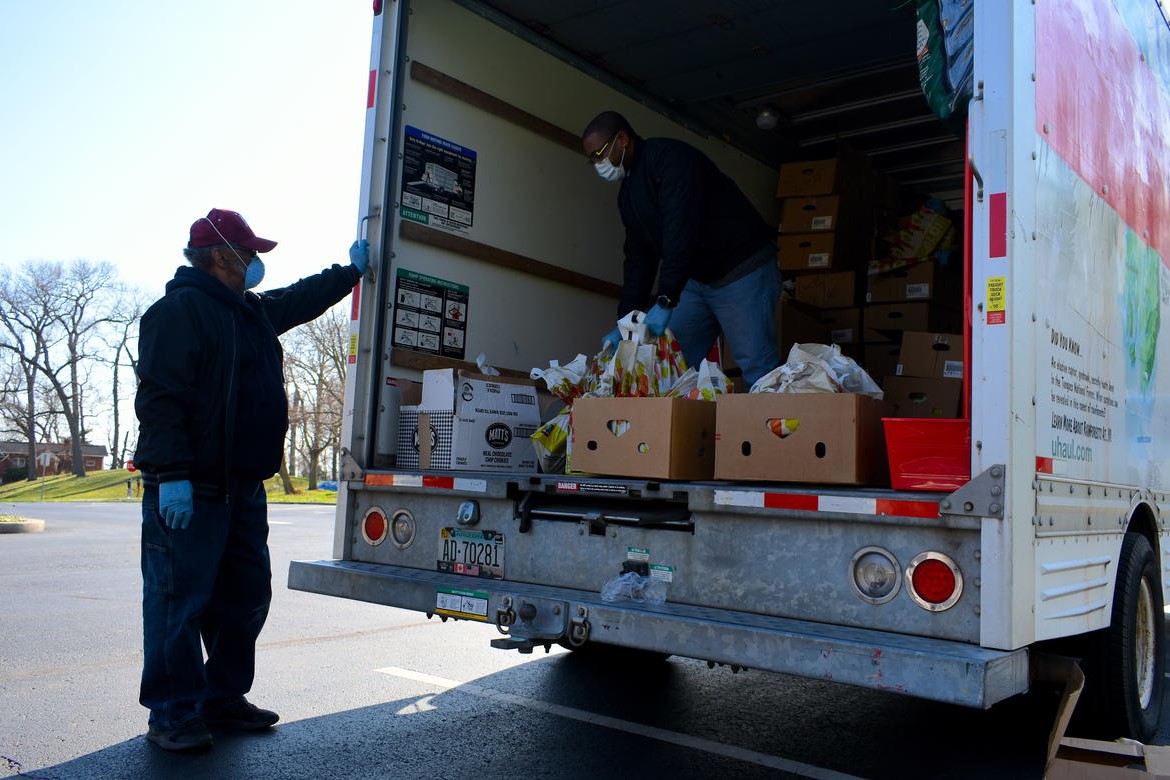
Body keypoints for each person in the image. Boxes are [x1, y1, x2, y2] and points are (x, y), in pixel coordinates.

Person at [134, 207, 369, 752]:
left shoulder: (249, 312)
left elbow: (298, 300)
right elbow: (161, 401)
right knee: (178, 603)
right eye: (250, 255)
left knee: (244, 598)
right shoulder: (178, 312)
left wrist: (350, 272)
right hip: (190, 489)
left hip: (241, 489)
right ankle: (172, 712)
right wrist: (171, 476)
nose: (257, 265)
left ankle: (222, 698)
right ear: (221, 257)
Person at [582, 110, 781, 387]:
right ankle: (681, 428)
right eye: (591, 158)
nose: (597, 163)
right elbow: (638, 258)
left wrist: (665, 298)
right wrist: (625, 321)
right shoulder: (629, 194)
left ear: (622, 139)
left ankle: (764, 427)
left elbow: (681, 229)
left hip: (741, 268)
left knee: (757, 367)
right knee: (671, 366)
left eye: (599, 153)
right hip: (696, 280)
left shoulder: (671, 160)